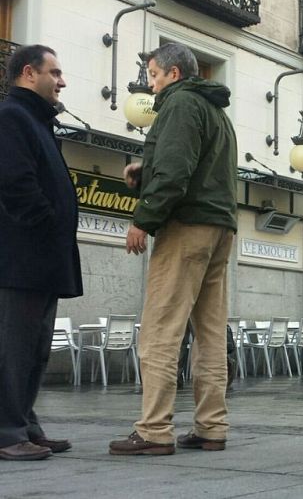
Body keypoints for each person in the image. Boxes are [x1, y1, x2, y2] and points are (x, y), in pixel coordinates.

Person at [109, 43, 238, 455]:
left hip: (187, 227)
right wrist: (146, 171)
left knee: (161, 329)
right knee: (211, 333)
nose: (150, 83)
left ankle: (153, 430)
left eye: (153, 74)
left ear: (174, 74)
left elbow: (178, 170)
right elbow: (196, 165)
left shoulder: (180, 104)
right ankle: (211, 426)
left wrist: (142, 219)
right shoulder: (215, 110)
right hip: (220, 227)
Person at [0, 44, 81, 461]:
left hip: (42, 260)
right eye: (56, 72)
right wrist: (47, 224)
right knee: (12, 349)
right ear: (29, 73)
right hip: (21, 259)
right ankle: (6, 433)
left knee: (34, 350)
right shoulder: (13, 117)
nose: (62, 81)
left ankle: (25, 425)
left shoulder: (37, 122)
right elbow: (15, 184)